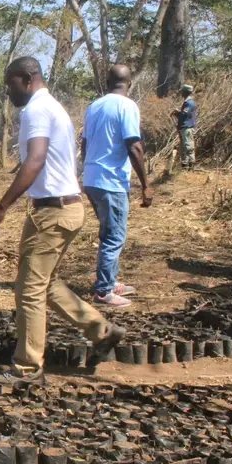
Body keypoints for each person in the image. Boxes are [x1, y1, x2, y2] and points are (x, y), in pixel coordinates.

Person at [0, 57, 124, 385]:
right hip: (62, 208)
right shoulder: (53, 107)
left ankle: (28, 369)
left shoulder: (35, 110)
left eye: (11, 84)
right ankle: (100, 330)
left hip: (53, 211)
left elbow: (35, 160)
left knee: (29, 291)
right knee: (43, 284)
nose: (9, 92)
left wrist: (1, 207)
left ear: (27, 78)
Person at [81, 64, 153, 308]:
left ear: (107, 82)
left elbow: (84, 144)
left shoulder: (94, 106)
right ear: (129, 84)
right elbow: (134, 145)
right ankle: (103, 291)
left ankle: (110, 281)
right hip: (110, 181)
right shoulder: (127, 106)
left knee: (108, 232)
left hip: (92, 178)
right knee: (114, 236)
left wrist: (87, 170)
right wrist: (146, 185)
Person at [173, 84, 198, 168]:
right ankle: (185, 165)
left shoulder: (189, 103)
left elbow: (184, 114)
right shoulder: (187, 102)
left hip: (187, 128)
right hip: (184, 128)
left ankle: (191, 165)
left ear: (185, 92)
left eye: (182, 92)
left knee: (188, 146)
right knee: (184, 147)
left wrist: (177, 112)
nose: (181, 93)